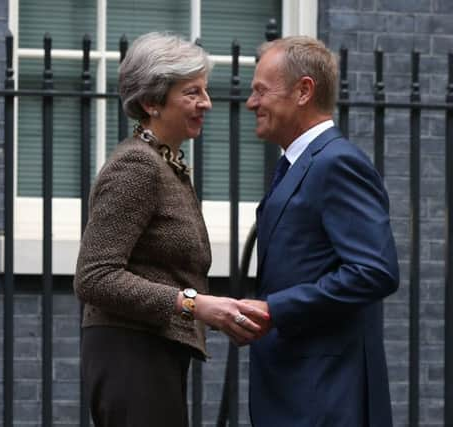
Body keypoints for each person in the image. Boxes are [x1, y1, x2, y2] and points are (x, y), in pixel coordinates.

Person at [73, 32, 269, 427]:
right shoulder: (137, 167)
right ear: (151, 102)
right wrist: (195, 303)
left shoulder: (165, 165)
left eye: (205, 90)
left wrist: (217, 309)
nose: (207, 104)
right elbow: (94, 277)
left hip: (152, 350)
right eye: (192, 92)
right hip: (131, 353)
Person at [241, 36, 400, 427]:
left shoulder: (337, 163)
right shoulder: (301, 164)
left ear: (303, 91)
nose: (251, 103)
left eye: (261, 90)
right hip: (297, 391)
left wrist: (276, 309)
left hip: (324, 397)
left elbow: (375, 271)